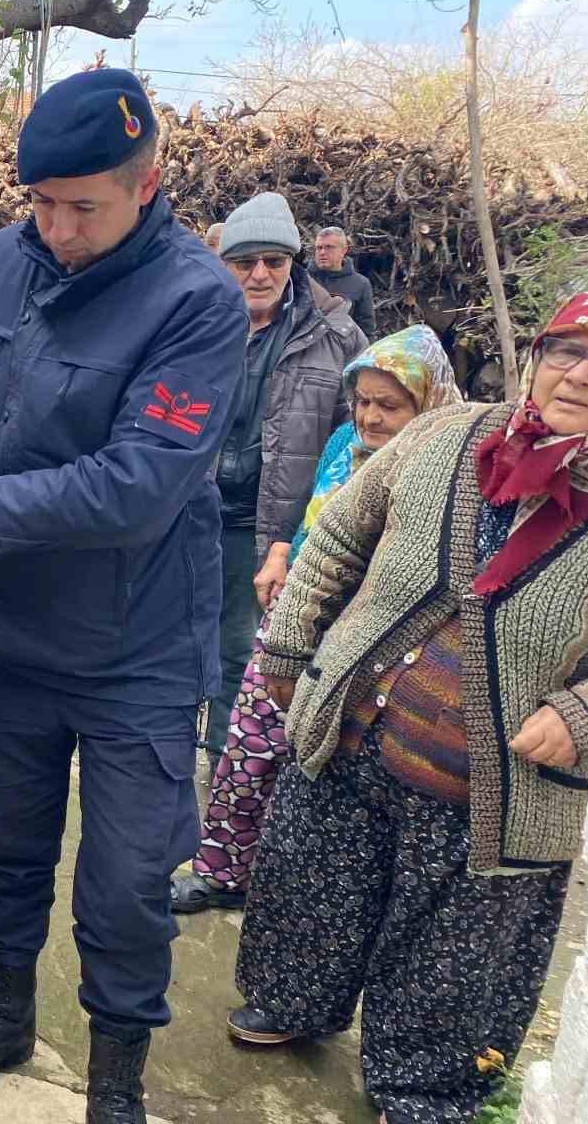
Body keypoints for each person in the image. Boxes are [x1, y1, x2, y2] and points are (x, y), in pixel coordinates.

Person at [0, 67, 249, 1124]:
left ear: (147, 184)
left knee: (128, 884)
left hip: (138, 647)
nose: (57, 227)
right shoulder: (3, 260)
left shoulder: (196, 301)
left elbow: (135, 487)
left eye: (82, 206)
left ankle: (115, 1082)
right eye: (41, 202)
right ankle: (3, 1014)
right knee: (4, 841)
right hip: (13, 632)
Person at [227, 290, 588, 1124]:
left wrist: (581, 719)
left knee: (452, 953)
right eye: (566, 349)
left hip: (493, 786)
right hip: (354, 727)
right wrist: (289, 645)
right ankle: (294, 1003)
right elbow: (340, 537)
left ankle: (421, 1082)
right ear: (536, 356)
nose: (577, 373)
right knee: (312, 880)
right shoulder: (445, 435)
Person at [169, 325, 461, 912]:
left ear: (427, 404)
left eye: (390, 405)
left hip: (369, 652)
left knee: (318, 783)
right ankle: (222, 872)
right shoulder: (340, 446)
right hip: (294, 623)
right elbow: (310, 517)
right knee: (249, 751)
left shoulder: (448, 472)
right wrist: (283, 552)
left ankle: (292, 903)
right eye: (363, 401)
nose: (371, 418)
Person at [206, 194, 367, 765]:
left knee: (240, 659)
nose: (259, 274)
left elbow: (355, 445)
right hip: (186, 519)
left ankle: (222, 783)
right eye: (244, 262)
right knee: (169, 653)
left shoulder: (336, 337)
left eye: (273, 261)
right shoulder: (192, 323)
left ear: (293, 262)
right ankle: (161, 776)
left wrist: (293, 541)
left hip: (267, 530)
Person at [311, 225, 375, 335]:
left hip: (343, 349)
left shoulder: (360, 284)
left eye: (329, 247)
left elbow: (366, 329)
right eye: (319, 248)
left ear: (344, 250)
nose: (322, 252)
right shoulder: (301, 279)